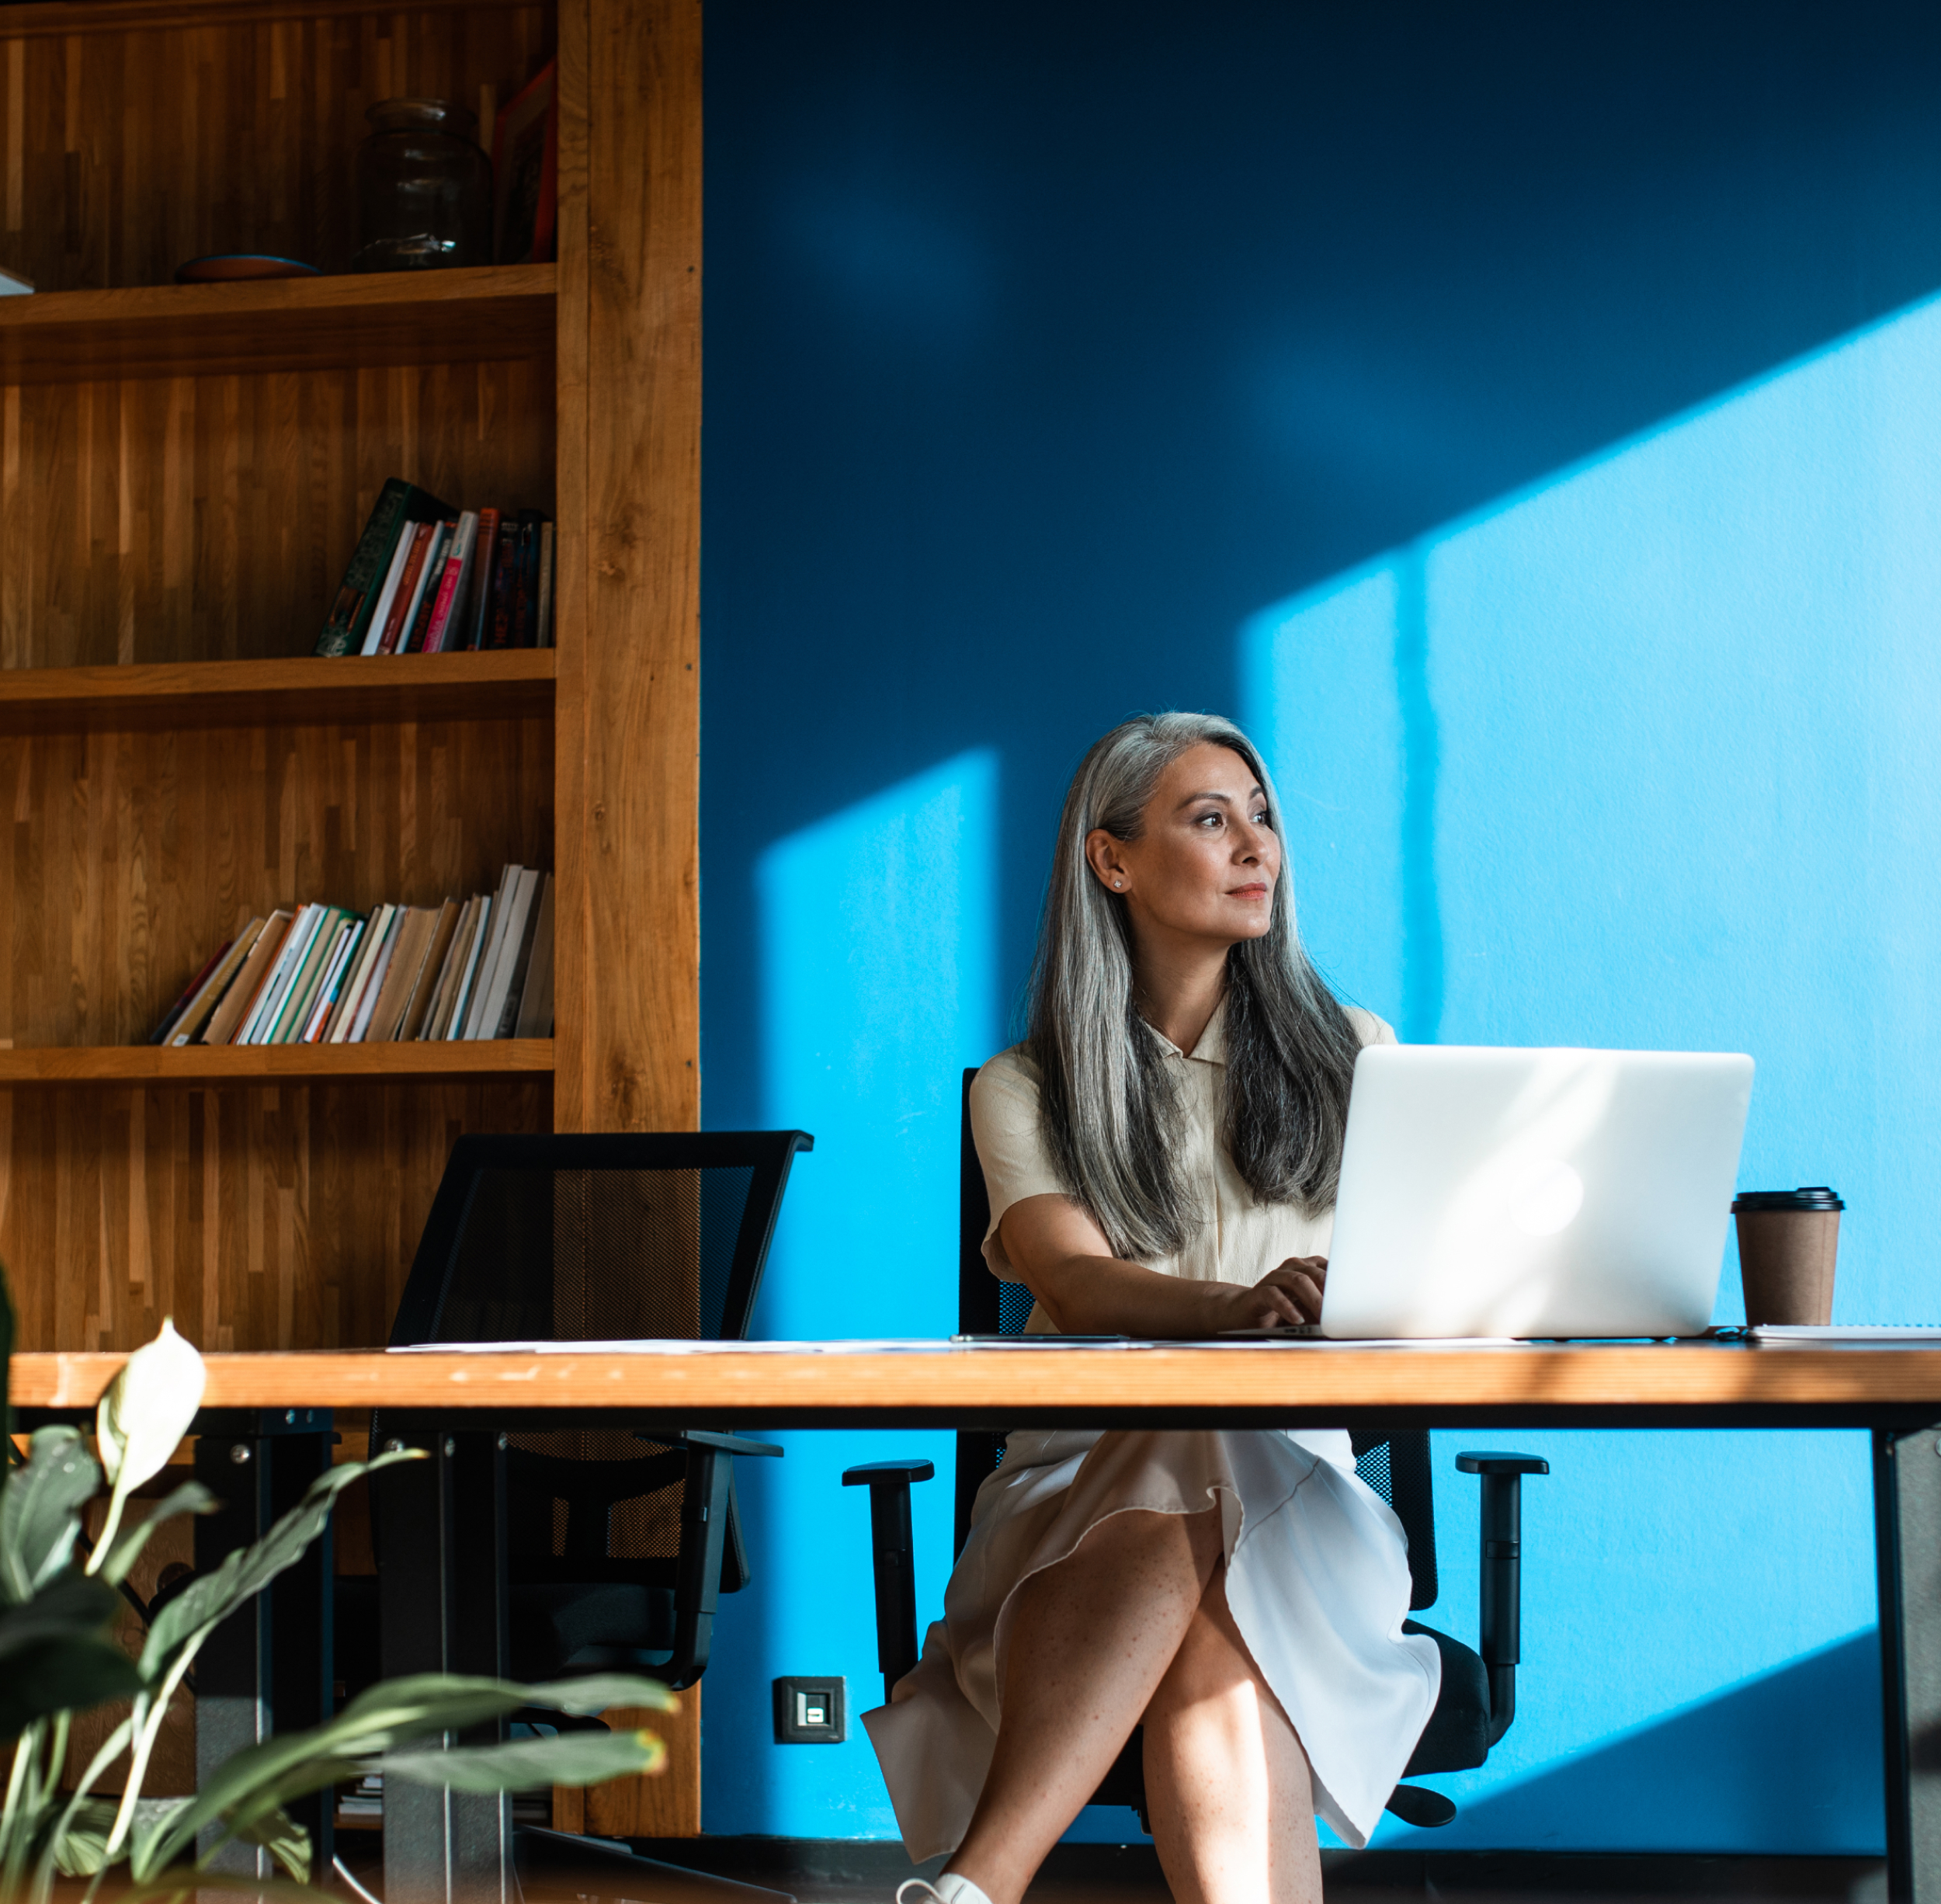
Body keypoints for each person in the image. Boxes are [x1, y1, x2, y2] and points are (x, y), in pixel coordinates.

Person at [861, 713, 1439, 1904]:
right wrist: (1234, 1312)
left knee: (1213, 1437)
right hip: (1071, 1492)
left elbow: (1427, 1284)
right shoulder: (1026, 1086)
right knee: (1211, 1573)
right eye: (1211, 817)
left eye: (1263, 815)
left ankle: (979, 1887)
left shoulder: (1361, 1057)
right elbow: (1069, 1279)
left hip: (1300, 1483)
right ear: (1111, 859)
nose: (1256, 846)